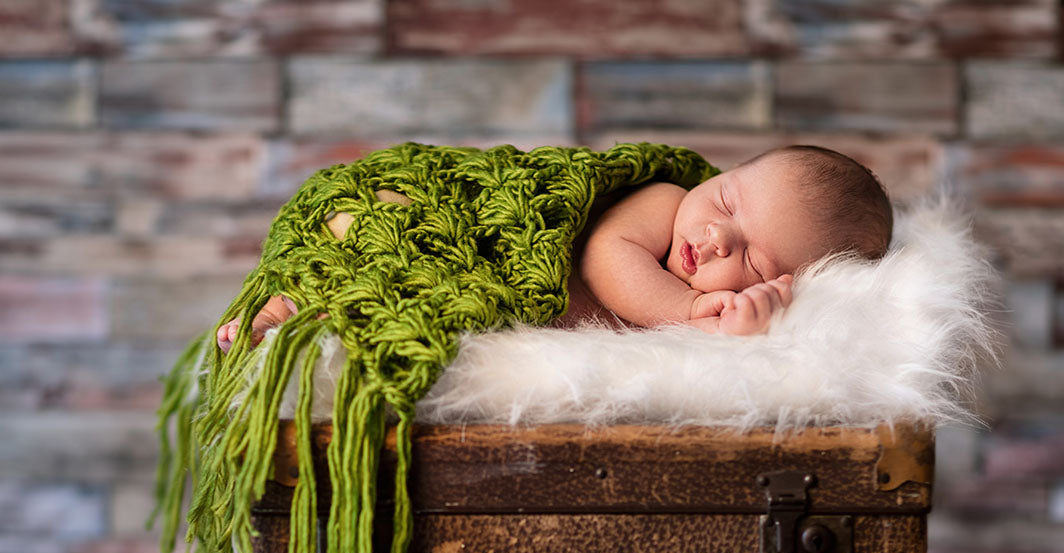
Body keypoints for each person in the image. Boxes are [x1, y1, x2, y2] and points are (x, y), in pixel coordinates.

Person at [217, 144, 891, 350]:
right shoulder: (659, 203)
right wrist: (692, 313)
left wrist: (745, 320)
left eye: (750, 260)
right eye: (727, 201)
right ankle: (286, 306)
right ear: (720, 174)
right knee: (403, 250)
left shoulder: (715, 288)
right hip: (462, 226)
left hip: (476, 287)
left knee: (412, 305)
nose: (714, 238)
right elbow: (605, 260)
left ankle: (293, 320)